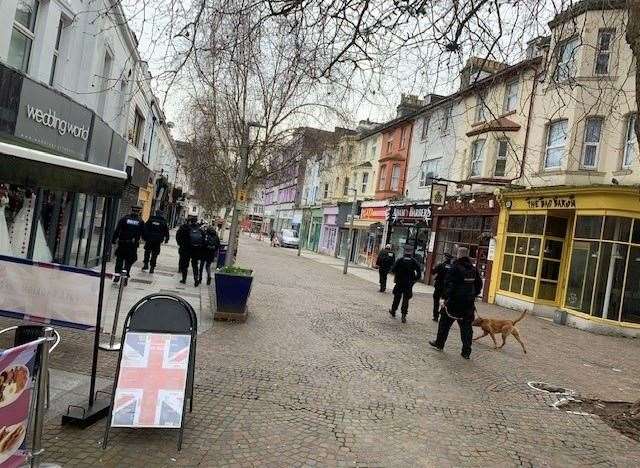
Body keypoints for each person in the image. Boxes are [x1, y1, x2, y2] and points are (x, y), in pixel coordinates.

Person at [429, 247, 483, 359]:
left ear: (458, 255)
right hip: (468, 304)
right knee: (467, 328)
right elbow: (479, 285)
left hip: (454, 303)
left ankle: (439, 343)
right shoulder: (473, 269)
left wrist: (445, 298)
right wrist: (473, 295)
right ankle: (466, 351)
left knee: (444, 323)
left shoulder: (455, 268)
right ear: (467, 256)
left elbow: (449, 284)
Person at [112, 205, 145, 284]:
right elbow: (143, 234)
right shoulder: (140, 222)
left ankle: (117, 275)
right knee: (128, 262)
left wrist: (113, 239)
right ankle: (125, 278)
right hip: (132, 246)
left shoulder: (124, 219)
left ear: (131, 210)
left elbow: (117, 230)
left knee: (119, 260)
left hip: (122, 243)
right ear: (139, 211)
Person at [389, 245, 422, 323]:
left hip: (399, 282)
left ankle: (393, 311)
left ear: (404, 252)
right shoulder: (414, 261)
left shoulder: (400, 260)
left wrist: (397, 273)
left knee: (397, 297)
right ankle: (403, 315)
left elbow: (393, 270)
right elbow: (419, 272)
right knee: (406, 299)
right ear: (411, 252)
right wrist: (414, 279)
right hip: (408, 283)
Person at [176, 215, 204, 286]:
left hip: (185, 249)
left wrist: (180, 244)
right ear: (196, 221)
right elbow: (203, 240)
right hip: (196, 250)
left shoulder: (184, 227)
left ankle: (184, 279)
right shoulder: (200, 229)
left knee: (185, 265)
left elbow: (178, 236)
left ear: (189, 221)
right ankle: (196, 279)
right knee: (195, 265)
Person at [431, 253, 454, 321]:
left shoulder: (440, 265)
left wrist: (435, 266)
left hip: (439, 286)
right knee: (445, 301)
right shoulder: (453, 267)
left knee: (436, 301)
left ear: (445, 258)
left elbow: (433, 272)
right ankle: (442, 313)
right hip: (447, 288)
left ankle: (435, 316)